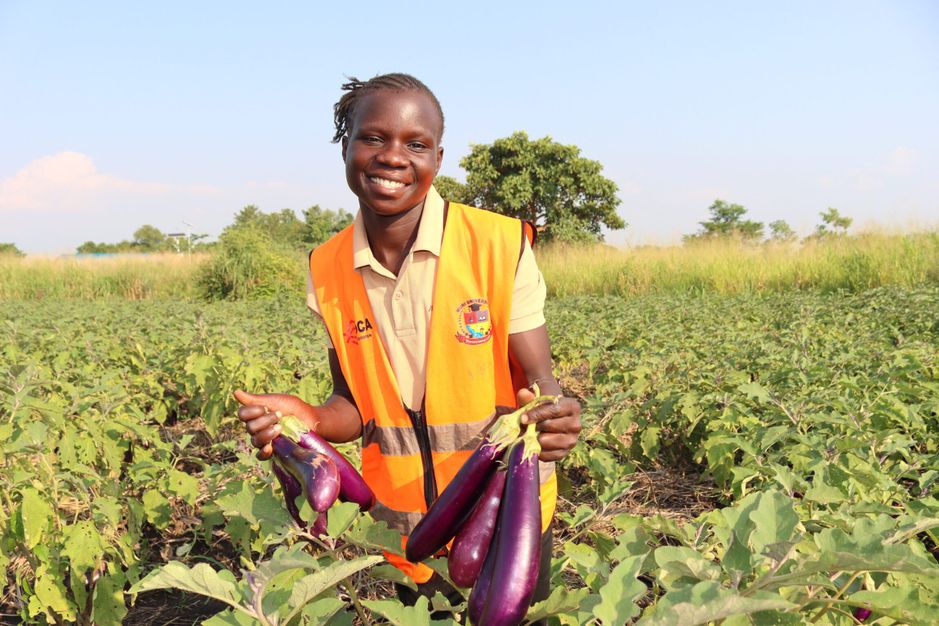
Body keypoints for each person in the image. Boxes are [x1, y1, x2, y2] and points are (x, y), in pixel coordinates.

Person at [235, 73, 581, 615]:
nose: (393, 157)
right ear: (345, 147)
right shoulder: (326, 267)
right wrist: (309, 415)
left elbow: (541, 385)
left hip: (506, 512)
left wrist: (555, 416)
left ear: (437, 158)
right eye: (373, 138)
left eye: (415, 144)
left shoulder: (497, 243)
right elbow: (354, 406)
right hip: (404, 530)